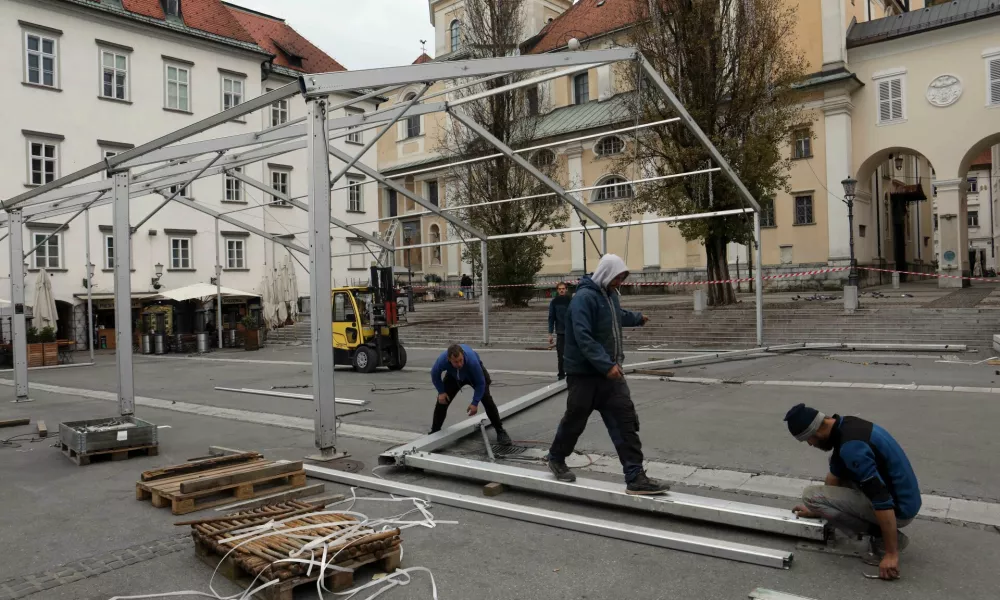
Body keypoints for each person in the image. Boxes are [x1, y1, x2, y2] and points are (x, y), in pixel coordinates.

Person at [547, 254, 669, 495]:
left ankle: (635, 476)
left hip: (609, 375)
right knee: (575, 420)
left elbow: (616, 316)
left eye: (622, 278)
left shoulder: (609, 295)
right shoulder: (583, 298)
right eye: (617, 278)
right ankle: (556, 458)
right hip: (584, 375)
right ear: (605, 274)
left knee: (625, 421)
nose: (619, 283)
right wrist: (606, 364)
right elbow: (583, 336)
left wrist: (636, 318)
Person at [784, 403, 921, 580]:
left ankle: (882, 539)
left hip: (899, 509)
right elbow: (835, 475)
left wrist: (891, 554)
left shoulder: (851, 449)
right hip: (905, 496)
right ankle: (884, 534)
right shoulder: (846, 427)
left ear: (815, 432)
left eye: (807, 440)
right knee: (832, 485)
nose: (810, 445)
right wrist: (817, 509)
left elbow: (881, 499)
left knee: (811, 495)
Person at [430, 343, 511, 445]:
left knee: (487, 400)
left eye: (461, 360)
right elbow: (434, 374)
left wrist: (475, 402)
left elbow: (481, 384)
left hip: (473, 374)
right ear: (448, 359)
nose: (459, 364)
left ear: (463, 355)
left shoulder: (472, 362)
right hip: (454, 375)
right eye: (455, 362)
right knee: (442, 401)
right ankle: (435, 431)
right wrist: (441, 392)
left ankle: (500, 431)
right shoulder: (442, 360)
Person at [547, 282, 572, 380]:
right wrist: (550, 334)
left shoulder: (571, 301)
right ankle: (561, 374)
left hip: (571, 332)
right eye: (559, 289)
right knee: (560, 355)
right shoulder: (554, 302)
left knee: (571, 354)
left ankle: (572, 374)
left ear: (566, 289)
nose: (561, 290)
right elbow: (551, 318)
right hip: (560, 332)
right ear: (557, 290)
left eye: (563, 288)